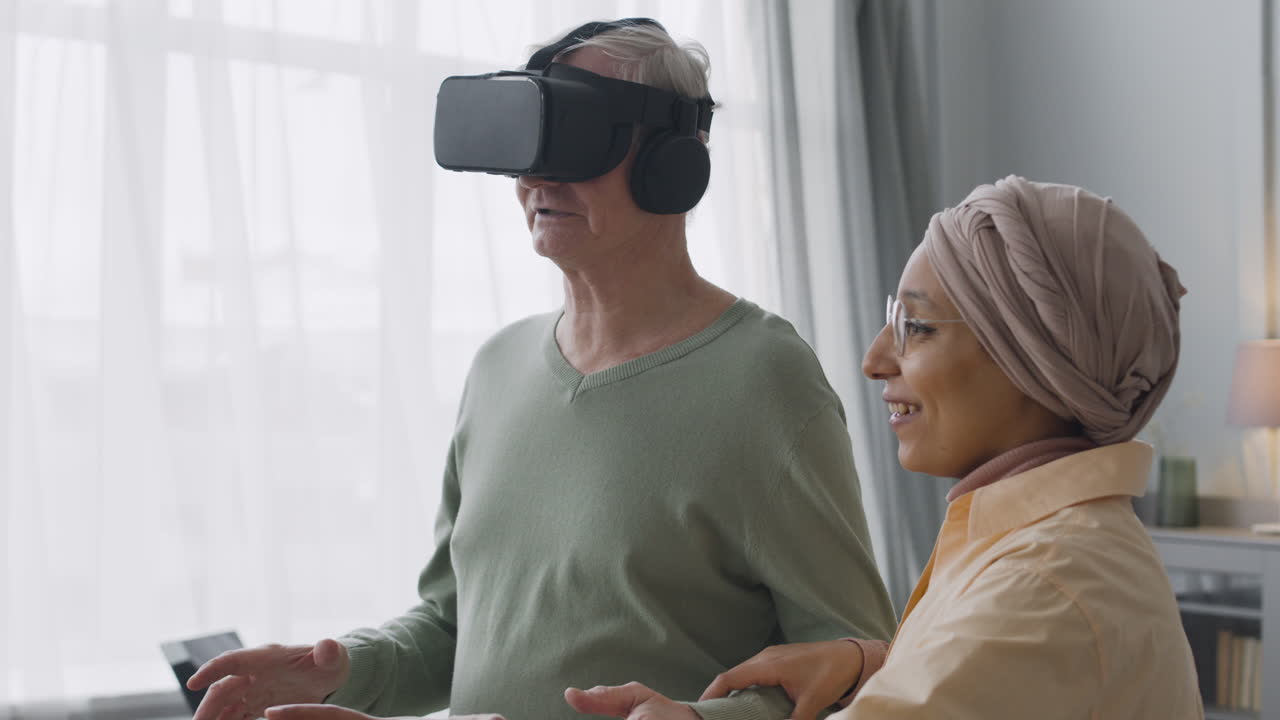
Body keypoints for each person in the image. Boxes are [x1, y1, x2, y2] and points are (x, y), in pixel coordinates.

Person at [185, 19, 896, 720]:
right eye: (529, 141)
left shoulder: (763, 379)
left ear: (674, 162)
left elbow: (852, 659)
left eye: (578, 141)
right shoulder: (498, 368)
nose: (535, 175)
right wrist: (344, 669)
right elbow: (453, 626)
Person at [567, 176, 1203, 720]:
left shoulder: (1041, 589)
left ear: (1030, 362)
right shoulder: (1052, 553)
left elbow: (1006, 647)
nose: (874, 359)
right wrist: (867, 665)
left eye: (916, 328)